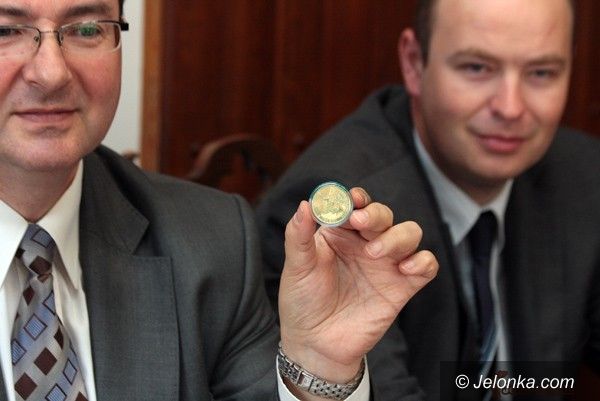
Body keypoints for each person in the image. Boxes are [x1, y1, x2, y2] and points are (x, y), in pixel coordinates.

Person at [0, 1, 439, 401]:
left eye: (87, 29)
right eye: (5, 31)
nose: (51, 73)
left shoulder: (213, 242)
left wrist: (319, 367)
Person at [256, 0, 600, 399]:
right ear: (414, 63)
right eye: (477, 68)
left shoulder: (584, 174)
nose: (511, 108)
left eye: (541, 72)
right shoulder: (342, 218)